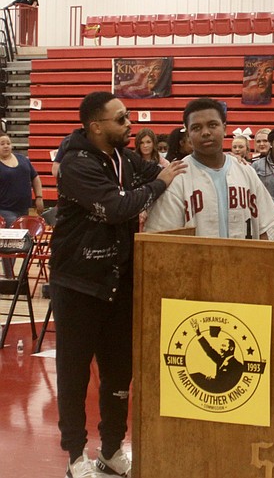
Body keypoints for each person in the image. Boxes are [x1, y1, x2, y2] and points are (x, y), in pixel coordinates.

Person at [49, 92, 186, 478]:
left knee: (119, 371)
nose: (130, 125)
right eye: (122, 119)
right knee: (74, 372)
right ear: (96, 126)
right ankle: (75, 455)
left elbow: (154, 176)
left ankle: (110, 450)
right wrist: (156, 185)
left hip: (120, 281)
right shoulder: (76, 162)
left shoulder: (124, 159)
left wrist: (181, 167)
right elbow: (115, 208)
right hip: (78, 282)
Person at [145, 98, 274, 239]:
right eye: (196, 128)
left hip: (244, 260)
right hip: (197, 260)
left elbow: (263, 228)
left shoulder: (246, 171)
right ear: (188, 136)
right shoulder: (177, 178)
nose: (205, 132)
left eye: (213, 125)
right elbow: (162, 241)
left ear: (225, 129)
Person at [0, 130, 44, 275]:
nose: (6, 146)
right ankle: (10, 275)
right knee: (12, 239)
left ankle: (17, 275)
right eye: (2, 144)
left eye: (8, 143)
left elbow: (35, 178)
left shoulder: (23, 159)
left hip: (24, 209)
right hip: (5, 209)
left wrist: (39, 197)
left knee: (22, 241)